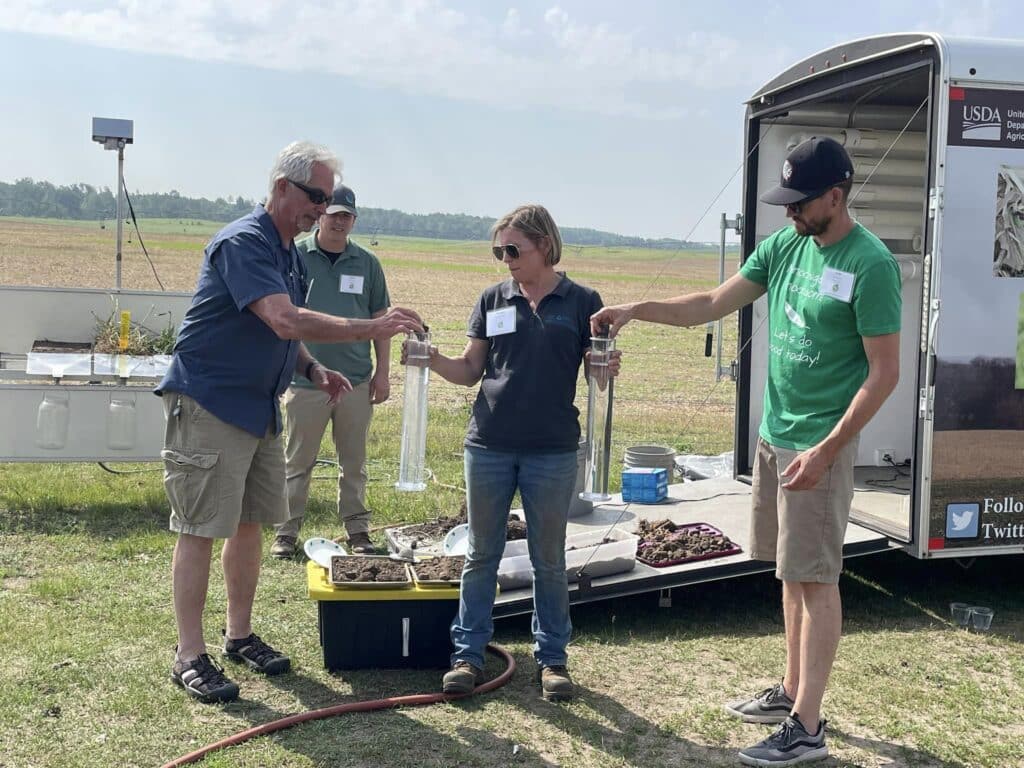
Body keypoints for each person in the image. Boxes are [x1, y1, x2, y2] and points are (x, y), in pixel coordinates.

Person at [591, 137, 901, 766]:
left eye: (801, 202)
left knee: (817, 579)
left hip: (820, 443)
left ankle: (808, 727)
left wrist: (828, 448)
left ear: (836, 197)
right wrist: (635, 309)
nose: (789, 213)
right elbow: (711, 303)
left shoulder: (870, 265)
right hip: (776, 434)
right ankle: (790, 691)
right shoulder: (788, 244)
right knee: (788, 570)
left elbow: (884, 373)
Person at [156, 141, 422, 704]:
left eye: (328, 199)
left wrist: (311, 366)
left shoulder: (286, 252)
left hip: (259, 407)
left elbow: (286, 335)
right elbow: (281, 318)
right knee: (201, 528)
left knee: (252, 522)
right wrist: (369, 330)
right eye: (315, 197)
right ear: (282, 187)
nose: (322, 209)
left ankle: (239, 634)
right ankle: (188, 655)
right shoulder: (244, 242)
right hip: (211, 403)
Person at [407, 204, 620, 702]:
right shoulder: (492, 298)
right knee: (481, 554)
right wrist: (429, 357)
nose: (504, 259)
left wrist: (605, 368)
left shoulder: (582, 300)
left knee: (548, 559)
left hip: (552, 450)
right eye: (498, 250)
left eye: (512, 249)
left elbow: (595, 376)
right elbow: (469, 370)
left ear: (544, 245)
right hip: (489, 446)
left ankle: (552, 661)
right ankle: (468, 656)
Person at [271, 184, 391, 558]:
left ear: (354, 220)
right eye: (334, 214)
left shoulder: (367, 263)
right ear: (320, 214)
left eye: (347, 216)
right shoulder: (297, 256)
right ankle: (285, 533)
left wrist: (382, 372)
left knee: (353, 462)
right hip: (306, 380)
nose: (340, 222)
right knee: (297, 460)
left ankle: (357, 531)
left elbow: (380, 319)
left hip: (355, 380)